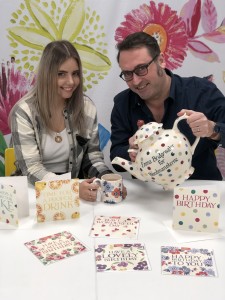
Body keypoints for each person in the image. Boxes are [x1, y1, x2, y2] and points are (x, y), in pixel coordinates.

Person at [9, 40, 126, 201]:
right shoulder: (24, 111)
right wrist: (70, 188)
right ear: (47, 74)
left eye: (75, 73)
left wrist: (108, 179)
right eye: (61, 74)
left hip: (74, 194)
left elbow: (92, 157)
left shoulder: (86, 107)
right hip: (31, 194)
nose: (71, 81)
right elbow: (31, 169)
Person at [110, 32, 225, 180]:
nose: (136, 81)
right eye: (127, 74)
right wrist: (131, 151)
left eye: (141, 69)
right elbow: (116, 160)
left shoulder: (202, 91)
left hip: (198, 194)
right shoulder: (122, 103)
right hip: (148, 195)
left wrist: (212, 129)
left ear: (161, 61)